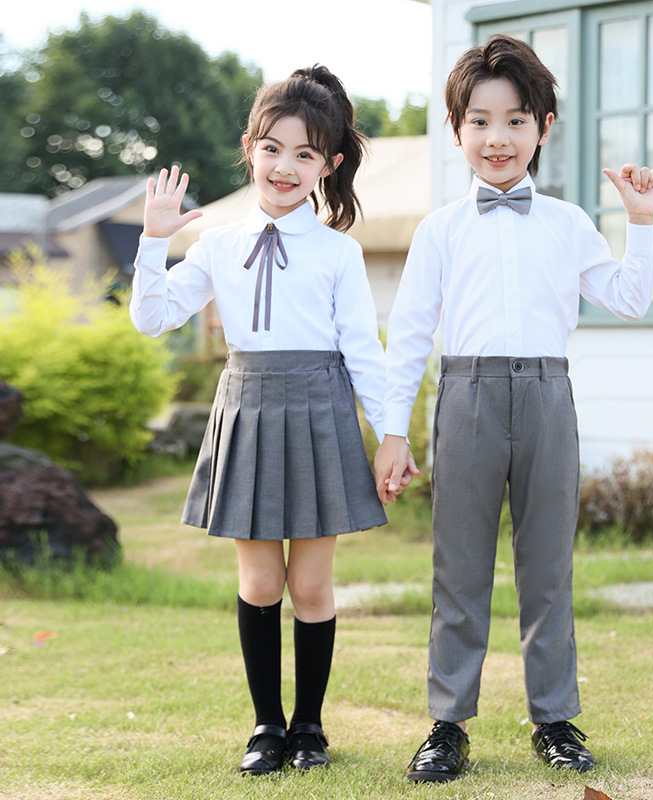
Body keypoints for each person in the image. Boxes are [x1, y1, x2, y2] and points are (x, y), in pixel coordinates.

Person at [374, 34, 653, 782]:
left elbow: (629, 299)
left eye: (514, 120)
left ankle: (555, 720)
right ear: (457, 130)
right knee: (458, 566)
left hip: (546, 395)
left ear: (544, 125)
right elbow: (407, 336)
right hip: (465, 395)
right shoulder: (439, 229)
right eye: (479, 121)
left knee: (548, 566)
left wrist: (643, 222)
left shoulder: (567, 223)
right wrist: (392, 432)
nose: (497, 138)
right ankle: (448, 725)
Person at [130, 65, 394, 775]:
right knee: (260, 584)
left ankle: (309, 728)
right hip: (246, 406)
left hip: (319, 408)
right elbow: (152, 317)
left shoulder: (339, 251)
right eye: (273, 148)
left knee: (310, 586)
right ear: (250, 147)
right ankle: (265, 727)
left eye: (306, 154)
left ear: (328, 166)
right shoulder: (215, 243)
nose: (285, 166)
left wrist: (391, 433)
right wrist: (154, 241)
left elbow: (363, 350)